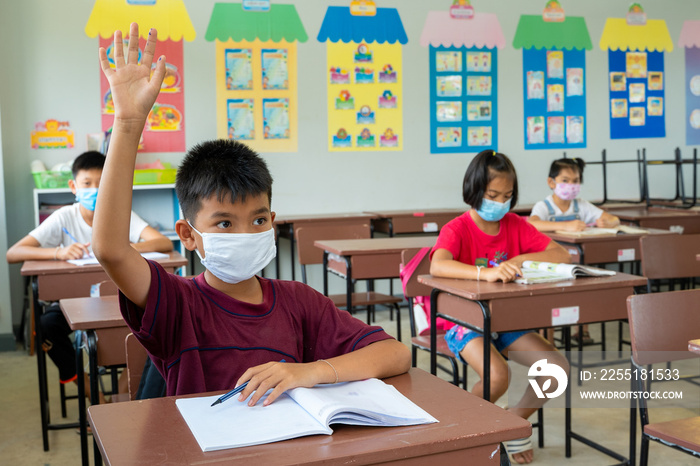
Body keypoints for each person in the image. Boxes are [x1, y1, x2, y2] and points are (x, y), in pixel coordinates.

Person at [92, 23, 411, 405]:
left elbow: (397, 353)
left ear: (272, 223)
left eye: (258, 220)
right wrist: (128, 124)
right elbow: (110, 249)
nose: (245, 233)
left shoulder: (299, 302)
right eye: (224, 223)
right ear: (189, 234)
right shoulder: (178, 304)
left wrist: (310, 371)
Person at [429, 149, 570, 465]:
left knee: (556, 369)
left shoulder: (515, 225)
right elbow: (439, 266)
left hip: (506, 321)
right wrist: (487, 272)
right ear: (475, 190)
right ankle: (460, 434)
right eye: (493, 194)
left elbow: (561, 254)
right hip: (464, 321)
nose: (499, 202)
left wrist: (519, 259)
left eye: (506, 196)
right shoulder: (458, 228)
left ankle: (512, 424)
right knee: (498, 376)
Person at [6, 150, 173, 396]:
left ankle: (125, 396)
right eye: (87, 184)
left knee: (152, 322)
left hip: (119, 299)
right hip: (75, 301)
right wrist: (58, 253)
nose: (95, 190)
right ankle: (96, 399)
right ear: (74, 186)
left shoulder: (121, 214)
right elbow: (14, 253)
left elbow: (163, 243)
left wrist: (123, 249)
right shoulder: (65, 216)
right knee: (46, 325)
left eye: (102, 183)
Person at [528, 157, 620, 345]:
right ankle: (548, 340)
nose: (571, 185)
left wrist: (609, 221)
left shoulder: (582, 205)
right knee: (550, 297)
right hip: (551, 263)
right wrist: (567, 225)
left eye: (576, 181)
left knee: (583, 290)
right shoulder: (543, 206)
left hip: (577, 262)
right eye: (565, 180)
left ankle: (581, 331)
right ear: (551, 182)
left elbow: (614, 219)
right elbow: (533, 224)